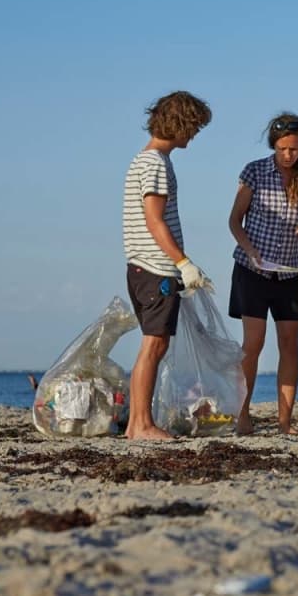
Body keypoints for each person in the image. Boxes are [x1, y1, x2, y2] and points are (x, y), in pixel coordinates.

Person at [227, 112, 298, 435]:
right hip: (252, 270)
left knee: (289, 343)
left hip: (290, 273)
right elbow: (234, 220)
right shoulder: (255, 171)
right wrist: (250, 250)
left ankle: (285, 422)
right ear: (273, 145)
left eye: (294, 149)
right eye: (282, 149)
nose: (287, 155)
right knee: (253, 343)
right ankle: (243, 416)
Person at [122, 90, 214, 440]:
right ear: (180, 124)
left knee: (153, 344)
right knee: (154, 345)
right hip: (156, 267)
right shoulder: (156, 164)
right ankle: (142, 424)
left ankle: (135, 424)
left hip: (141, 266)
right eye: (195, 127)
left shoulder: (143, 160)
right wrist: (183, 262)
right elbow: (155, 220)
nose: (195, 135)